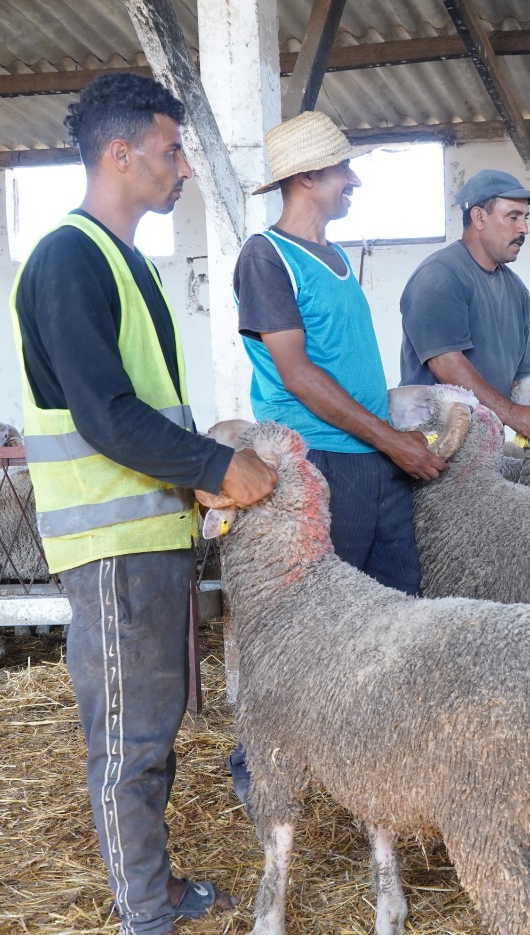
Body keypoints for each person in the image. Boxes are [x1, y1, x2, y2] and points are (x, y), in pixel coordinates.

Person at [11, 73, 277, 935]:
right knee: (129, 740)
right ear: (120, 154)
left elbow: (138, 408)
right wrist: (214, 466)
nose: (179, 169)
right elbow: (106, 415)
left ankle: (155, 886)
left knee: (154, 732)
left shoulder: (125, 265)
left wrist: (197, 482)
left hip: (149, 536)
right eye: (170, 151)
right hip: (112, 548)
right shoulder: (67, 261)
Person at [228, 111, 445, 795]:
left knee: (395, 606)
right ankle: (263, 767)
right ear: (307, 178)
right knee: (312, 623)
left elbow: (344, 367)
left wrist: (394, 428)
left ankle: (373, 756)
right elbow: (295, 374)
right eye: (341, 171)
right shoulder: (266, 257)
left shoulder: (336, 258)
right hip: (321, 465)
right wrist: (391, 440)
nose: (352, 182)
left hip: (373, 460)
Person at [397, 169, 530, 440]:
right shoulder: (439, 276)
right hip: (435, 445)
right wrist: (514, 414)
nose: (524, 229)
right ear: (479, 217)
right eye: (513, 217)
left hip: (485, 445)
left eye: (526, 218)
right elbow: (446, 363)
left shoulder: (517, 291)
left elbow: (517, 379)